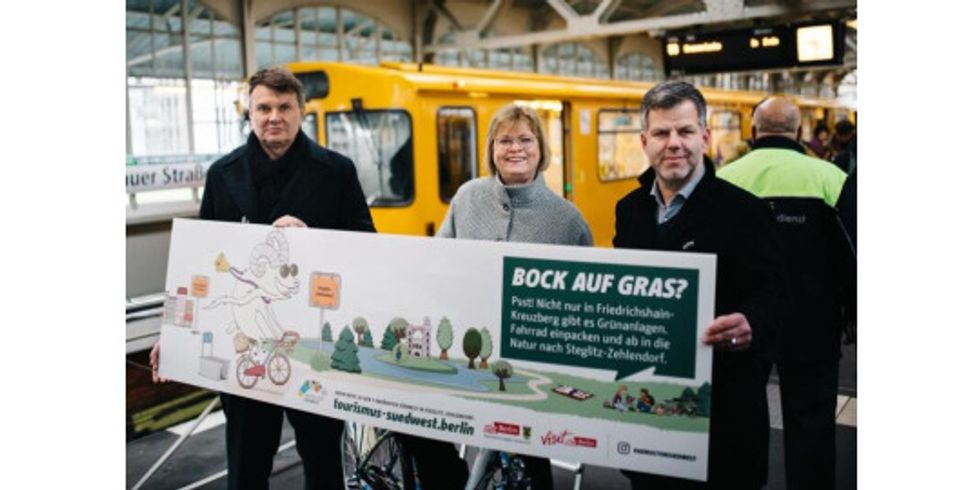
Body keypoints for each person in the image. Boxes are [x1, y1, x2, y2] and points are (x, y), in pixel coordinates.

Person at [150, 66, 376, 490]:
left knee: (323, 461)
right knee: (247, 466)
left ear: (302, 111)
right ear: (249, 114)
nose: (275, 116)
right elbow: (204, 262)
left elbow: (365, 244)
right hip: (245, 349)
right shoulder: (224, 174)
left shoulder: (336, 171)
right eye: (264, 107)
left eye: (284, 107)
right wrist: (175, 327)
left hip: (314, 345)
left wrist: (311, 242)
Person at [399, 103, 593, 490]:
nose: (515, 148)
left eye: (525, 139)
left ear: (540, 148)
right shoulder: (467, 198)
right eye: (504, 140)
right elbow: (438, 262)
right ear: (491, 149)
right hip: (461, 346)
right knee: (414, 420)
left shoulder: (568, 220)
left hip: (529, 360)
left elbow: (582, 305)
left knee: (532, 461)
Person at [613, 81, 787, 489]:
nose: (674, 143)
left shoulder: (746, 212)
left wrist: (751, 323)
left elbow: (777, 297)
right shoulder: (630, 210)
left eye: (686, 131)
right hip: (649, 419)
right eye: (661, 133)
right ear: (644, 141)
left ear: (705, 137)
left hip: (722, 425)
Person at [718, 96, 856, 490]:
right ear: (799, 133)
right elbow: (852, 256)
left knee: (742, 417)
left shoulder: (727, 178)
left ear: (754, 131)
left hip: (743, 325)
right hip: (814, 324)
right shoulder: (830, 178)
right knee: (811, 423)